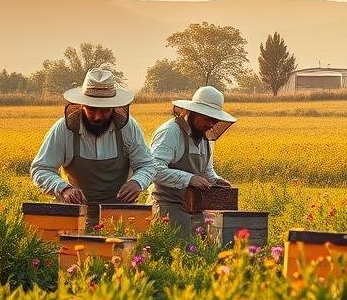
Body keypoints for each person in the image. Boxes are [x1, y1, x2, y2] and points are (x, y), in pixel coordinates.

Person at [31, 67, 157, 228]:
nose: (98, 116)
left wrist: (137, 182)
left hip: (121, 215)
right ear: (82, 105)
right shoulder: (63, 129)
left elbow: (147, 164)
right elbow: (40, 169)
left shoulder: (128, 128)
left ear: (114, 106)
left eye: (104, 110)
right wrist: (64, 189)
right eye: (91, 109)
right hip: (76, 214)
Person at [150, 86, 235, 235]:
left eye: (214, 121)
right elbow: (153, 169)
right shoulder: (170, 132)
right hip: (168, 208)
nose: (211, 125)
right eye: (207, 119)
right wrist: (189, 179)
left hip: (195, 209)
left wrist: (216, 180)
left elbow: (206, 170)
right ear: (193, 113)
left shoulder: (204, 137)